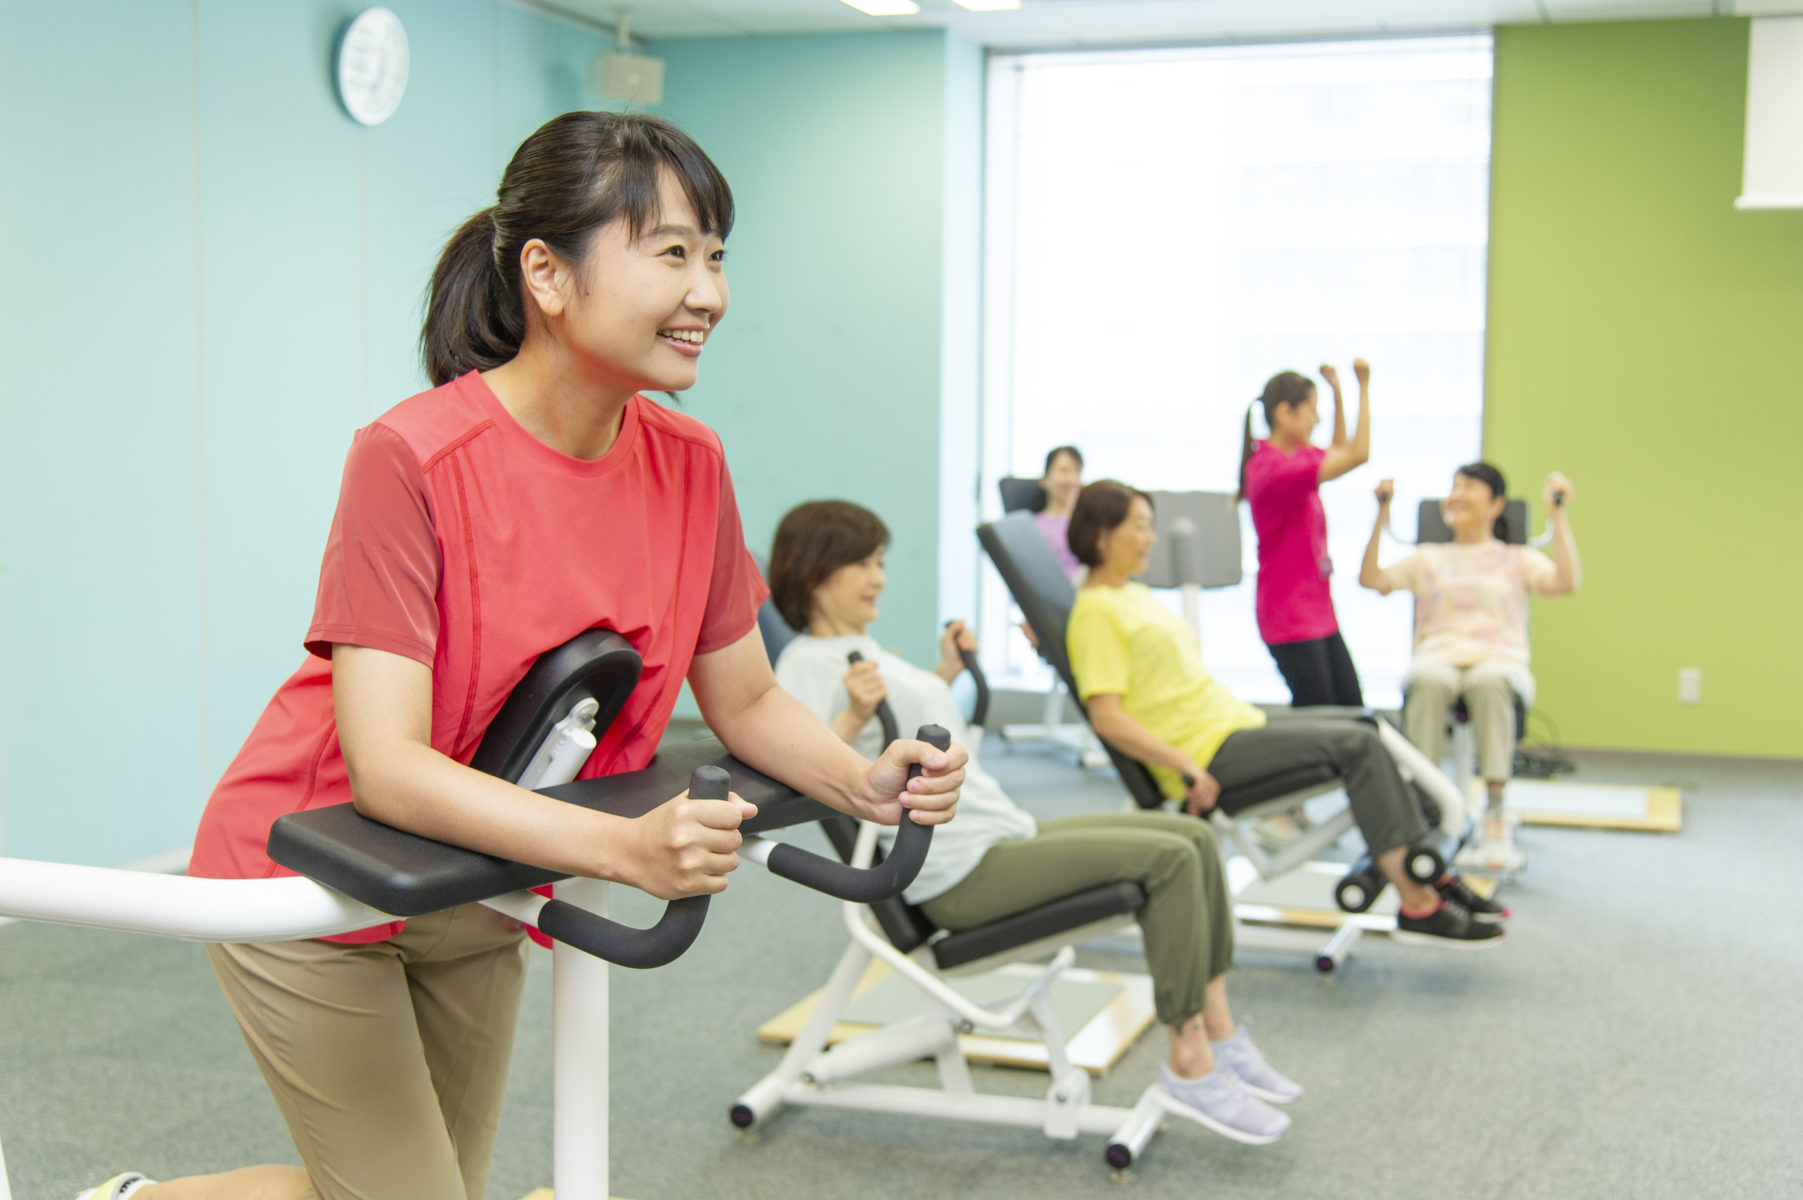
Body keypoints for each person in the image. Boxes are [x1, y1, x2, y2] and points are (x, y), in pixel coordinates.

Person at [79, 113, 965, 1200]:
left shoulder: (690, 462)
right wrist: (622, 847)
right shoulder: (411, 457)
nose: (709, 294)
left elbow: (743, 698)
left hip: (479, 879)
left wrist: (860, 782)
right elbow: (387, 767)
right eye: (672, 253)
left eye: (717, 256)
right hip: (311, 877)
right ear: (547, 273)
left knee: (423, 1186)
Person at [766, 499, 1298, 1146]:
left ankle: (1216, 1032)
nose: (877, 577)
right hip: (955, 872)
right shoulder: (800, 666)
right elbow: (798, 773)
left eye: (879, 562)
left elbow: (899, 729)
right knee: (1169, 860)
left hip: (999, 831)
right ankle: (1190, 1061)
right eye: (861, 563)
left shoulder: (861, 648)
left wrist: (943, 673)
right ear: (816, 572)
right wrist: (849, 718)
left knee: (1190, 836)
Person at [1064, 480, 1506, 950]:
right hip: (1204, 753)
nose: (1150, 538)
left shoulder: (1132, 594)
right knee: (1358, 747)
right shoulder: (1094, 612)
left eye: (1151, 527)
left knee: (1363, 722)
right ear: (1102, 534)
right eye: (1140, 527)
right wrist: (1186, 768)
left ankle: (1433, 874)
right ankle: (1416, 901)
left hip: (1233, 726)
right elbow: (1106, 718)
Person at [1360, 464, 1580, 867]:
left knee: (1490, 680)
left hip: (1499, 661)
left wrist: (1558, 515)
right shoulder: (1428, 556)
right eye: (1453, 486)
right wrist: (1380, 513)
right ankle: (1422, 805)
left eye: (1469, 487)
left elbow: (1566, 582)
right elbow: (1371, 579)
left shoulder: (1515, 558)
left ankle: (1495, 811)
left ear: (1496, 504)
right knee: (1425, 678)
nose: (1456, 494)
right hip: (1438, 656)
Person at [1237, 361, 1372, 707]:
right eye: (1312, 409)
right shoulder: (1273, 468)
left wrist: (1337, 391)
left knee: (1350, 707)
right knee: (1321, 716)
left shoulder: (1296, 456)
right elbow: (1358, 454)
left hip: (1318, 610)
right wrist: (1364, 385)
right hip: (1289, 616)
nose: (1317, 419)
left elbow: (1339, 447)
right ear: (1285, 413)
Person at [1032, 445, 1085, 582]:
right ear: (1044, 480)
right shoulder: (1033, 527)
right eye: (1063, 471)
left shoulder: (1089, 521)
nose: (1071, 479)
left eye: (1077, 471)